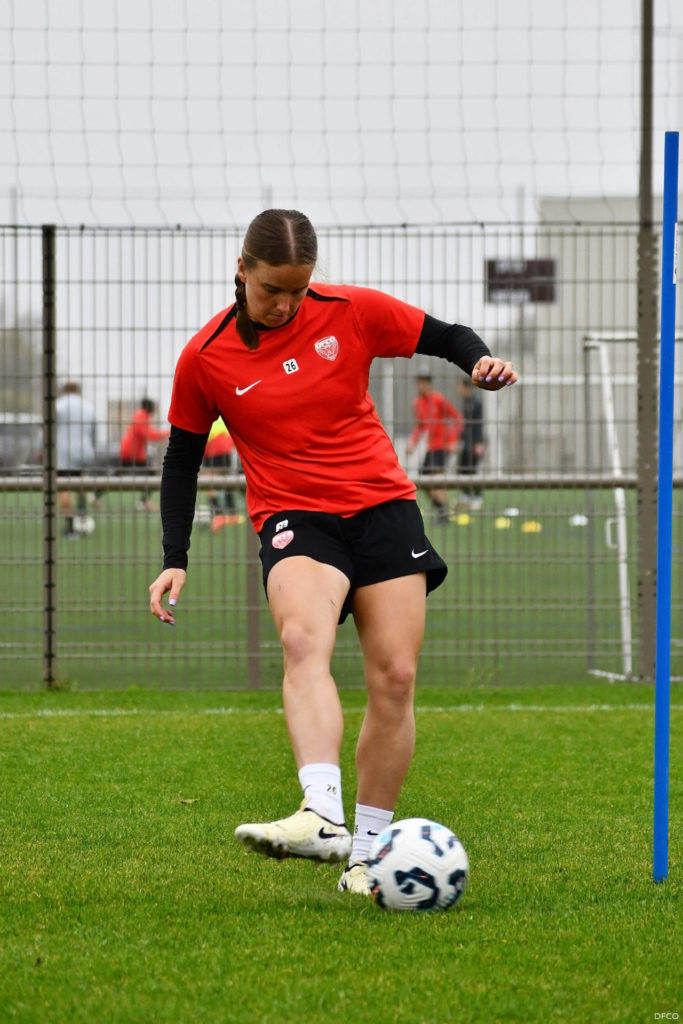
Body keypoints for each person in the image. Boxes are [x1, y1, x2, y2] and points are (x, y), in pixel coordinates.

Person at [148, 209, 517, 896]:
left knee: (396, 676)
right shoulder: (206, 357)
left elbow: (447, 335)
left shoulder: (351, 311)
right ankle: (321, 811)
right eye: (271, 290)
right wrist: (176, 554)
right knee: (301, 639)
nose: (285, 305)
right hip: (295, 516)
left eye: (297, 290)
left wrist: (479, 362)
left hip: (382, 506)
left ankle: (367, 858)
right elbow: (181, 460)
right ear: (242, 271)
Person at [406, 369, 463, 524]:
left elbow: (457, 418)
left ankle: (442, 514)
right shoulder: (417, 403)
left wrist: (453, 439)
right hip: (430, 447)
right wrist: (412, 443)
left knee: (438, 479)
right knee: (422, 481)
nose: (419, 386)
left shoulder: (439, 399)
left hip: (442, 446)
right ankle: (442, 509)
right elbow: (420, 426)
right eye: (418, 383)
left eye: (422, 383)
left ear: (428, 384)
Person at [55, 380, 97, 539]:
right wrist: (92, 449)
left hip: (63, 453)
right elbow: (94, 432)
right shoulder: (89, 407)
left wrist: (41, 449)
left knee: (63, 488)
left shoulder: (58, 406)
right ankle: (82, 514)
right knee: (80, 481)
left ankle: (71, 527)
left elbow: (46, 429)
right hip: (84, 451)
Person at [119, 398, 170, 511]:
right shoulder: (142, 416)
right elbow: (148, 434)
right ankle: (143, 501)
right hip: (132, 452)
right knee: (151, 474)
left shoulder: (141, 415)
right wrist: (166, 433)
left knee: (119, 474)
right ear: (149, 407)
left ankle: (96, 494)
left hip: (130, 451)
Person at [202, 417, 240, 532]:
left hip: (212, 447)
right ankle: (232, 512)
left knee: (209, 484)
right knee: (225, 481)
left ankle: (218, 514)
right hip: (223, 447)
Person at [456, 377, 486, 511]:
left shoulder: (476, 401)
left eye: (460, 386)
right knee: (463, 468)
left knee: (473, 470)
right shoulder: (466, 401)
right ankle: (466, 496)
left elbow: (478, 424)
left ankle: (478, 498)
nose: (458, 389)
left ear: (466, 387)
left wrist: (479, 442)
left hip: (475, 441)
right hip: (467, 440)